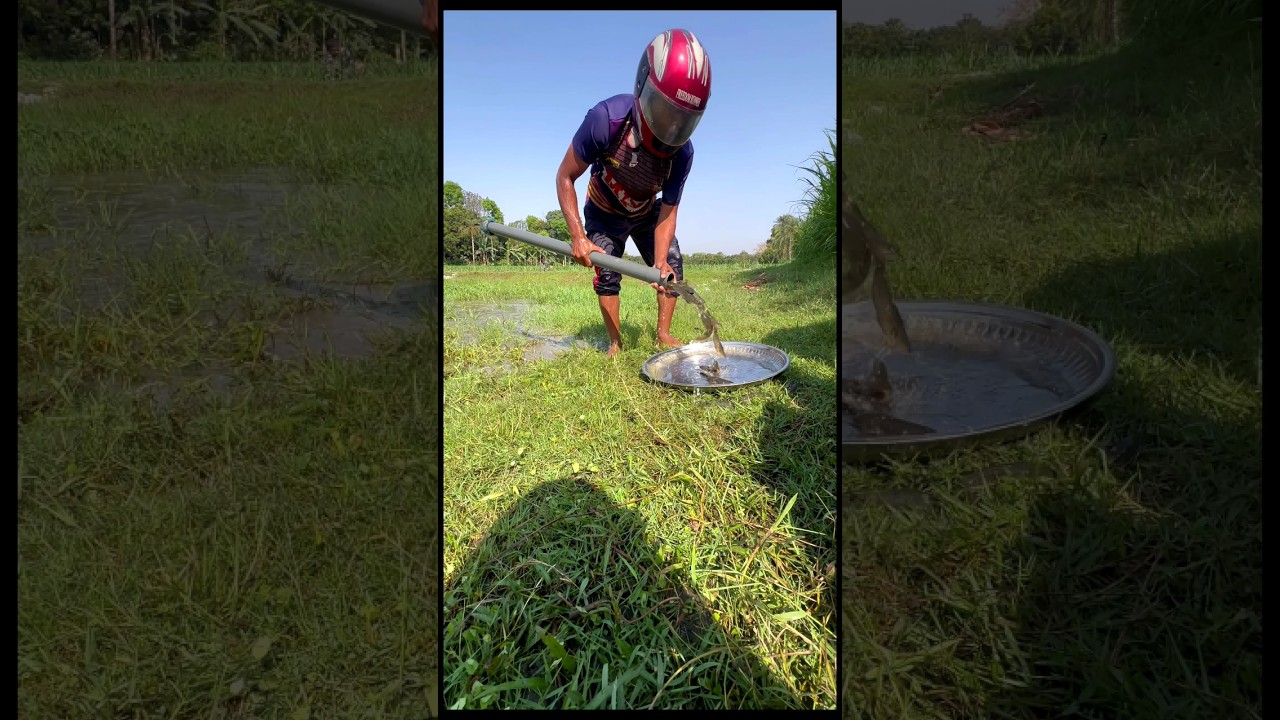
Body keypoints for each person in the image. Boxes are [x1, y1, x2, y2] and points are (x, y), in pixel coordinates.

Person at [555, 29, 711, 357]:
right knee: (607, 272)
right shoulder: (606, 120)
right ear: (642, 88)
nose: (671, 128)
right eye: (665, 112)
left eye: (683, 120)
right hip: (604, 212)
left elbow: (668, 211)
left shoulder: (683, 155)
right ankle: (615, 343)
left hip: (645, 212)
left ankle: (664, 335)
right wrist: (578, 236)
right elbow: (565, 176)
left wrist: (658, 261)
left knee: (671, 267)